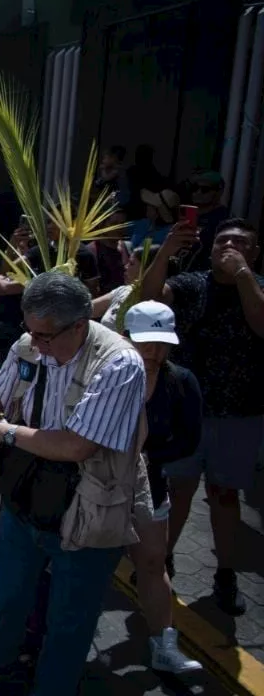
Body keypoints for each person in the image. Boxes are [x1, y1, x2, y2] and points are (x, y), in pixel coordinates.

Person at [0, 271, 146, 695]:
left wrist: (3, 432)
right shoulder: (32, 344)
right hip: (27, 500)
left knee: (70, 622)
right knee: (5, 603)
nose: (37, 345)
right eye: (32, 333)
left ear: (79, 325)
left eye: (46, 337)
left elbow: (76, 446)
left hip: (89, 512)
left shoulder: (119, 363)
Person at [140, 217, 264, 615]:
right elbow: (149, 299)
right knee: (178, 490)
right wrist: (166, 251)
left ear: (253, 252)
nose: (228, 248)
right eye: (221, 242)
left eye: (239, 243)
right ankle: (162, 561)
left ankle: (225, 573)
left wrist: (243, 275)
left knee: (224, 495)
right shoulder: (195, 284)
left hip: (239, 413)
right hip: (186, 408)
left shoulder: (258, 286)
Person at [122, 300, 203, 674]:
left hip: (149, 484)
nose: (153, 352)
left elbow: (188, 440)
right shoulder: (106, 374)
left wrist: (145, 456)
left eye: (161, 343)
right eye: (144, 342)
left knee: (153, 563)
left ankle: (164, 646)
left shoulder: (181, 381)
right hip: (98, 484)